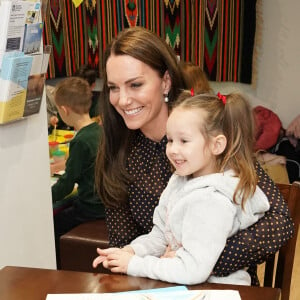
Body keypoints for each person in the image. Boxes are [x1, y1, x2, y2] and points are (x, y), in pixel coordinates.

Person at [94, 26, 294, 285]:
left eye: (135, 84)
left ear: (165, 81)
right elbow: (125, 244)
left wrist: (200, 261)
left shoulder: (208, 131)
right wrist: (141, 258)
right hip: (157, 282)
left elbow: (279, 220)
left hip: (222, 285)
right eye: (113, 87)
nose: (122, 100)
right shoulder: (118, 151)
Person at [93, 91, 270, 285]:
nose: (172, 149)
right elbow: (161, 235)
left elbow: (192, 271)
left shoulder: (212, 201)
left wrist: (135, 264)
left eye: (184, 141)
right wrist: (132, 251)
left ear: (217, 145)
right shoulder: (179, 181)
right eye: (169, 140)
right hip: (183, 284)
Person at [52, 77, 105, 268]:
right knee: (66, 205)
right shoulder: (100, 131)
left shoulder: (80, 141)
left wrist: (44, 200)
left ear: (64, 110)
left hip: (92, 208)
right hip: (103, 204)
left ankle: (58, 267)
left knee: (55, 221)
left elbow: (66, 184)